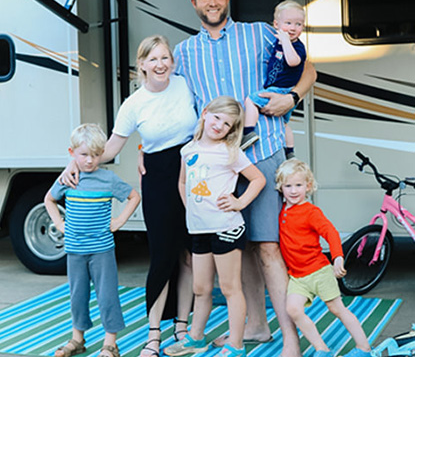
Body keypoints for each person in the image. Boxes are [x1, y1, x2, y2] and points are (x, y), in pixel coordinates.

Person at [173, 0, 315, 356]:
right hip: (217, 162)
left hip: (261, 151)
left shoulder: (260, 34)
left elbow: (308, 69)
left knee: (268, 246)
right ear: (194, 3)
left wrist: (293, 98)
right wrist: (140, 151)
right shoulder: (184, 52)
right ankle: (256, 325)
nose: (212, 3)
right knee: (241, 247)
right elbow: (175, 106)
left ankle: (291, 338)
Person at [60, 36, 198, 356]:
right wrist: (75, 160)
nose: (161, 64)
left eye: (165, 58)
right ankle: (154, 334)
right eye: (153, 60)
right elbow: (107, 149)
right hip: (158, 178)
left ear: (172, 61)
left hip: (192, 172)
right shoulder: (133, 103)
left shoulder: (185, 85)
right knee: (163, 255)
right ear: (142, 65)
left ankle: (182, 325)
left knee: (189, 255)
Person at [165, 96, 265, 357]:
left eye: (227, 124)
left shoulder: (230, 152)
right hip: (199, 229)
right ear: (205, 113)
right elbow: (183, 183)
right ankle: (195, 338)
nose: (219, 125)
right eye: (217, 118)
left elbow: (258, 179)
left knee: (230, 288)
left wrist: (239, 202)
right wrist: (193, 211)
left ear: (232, 130)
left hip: (226, 227)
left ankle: (236, 343)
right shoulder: (188, 150)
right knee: (201, 288)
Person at [45, 124, 141, 358]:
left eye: (96, 155)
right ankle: (78, 338)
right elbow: (49, 199)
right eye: (84, 155)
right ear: (72, 153)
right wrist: (59, 224)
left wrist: (119, 221)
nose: (89, 161)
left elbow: (133, 196)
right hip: (75, 250)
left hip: (102, 250)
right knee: (77, 295)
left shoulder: (107, 179)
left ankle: (110, 343)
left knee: (107, 295)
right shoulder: (68, 178)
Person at [276, 159, 373, 357]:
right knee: (293, 310)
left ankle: (364, 348)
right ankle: (322, 349)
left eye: (299, 185)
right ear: (280, 187)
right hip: (298, 277)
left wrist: (338, 257)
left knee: (337, 309)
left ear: (308, 186)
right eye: (288, 186)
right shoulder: (282, 210)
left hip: (319, 271)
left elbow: (331, 232)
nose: (293, 191)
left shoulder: (311, 212)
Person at [243, 0, 307, 157]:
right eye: (288, 23)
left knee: (251, 101)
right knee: (283, 124)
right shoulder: (278, 42)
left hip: (281, 89)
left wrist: (286, 42)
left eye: (298, 24)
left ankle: (248, 132)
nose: (293, 28)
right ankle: (289, 151)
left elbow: (293, 61)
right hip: (281, 89)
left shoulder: (297, 46)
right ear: (276, 24)